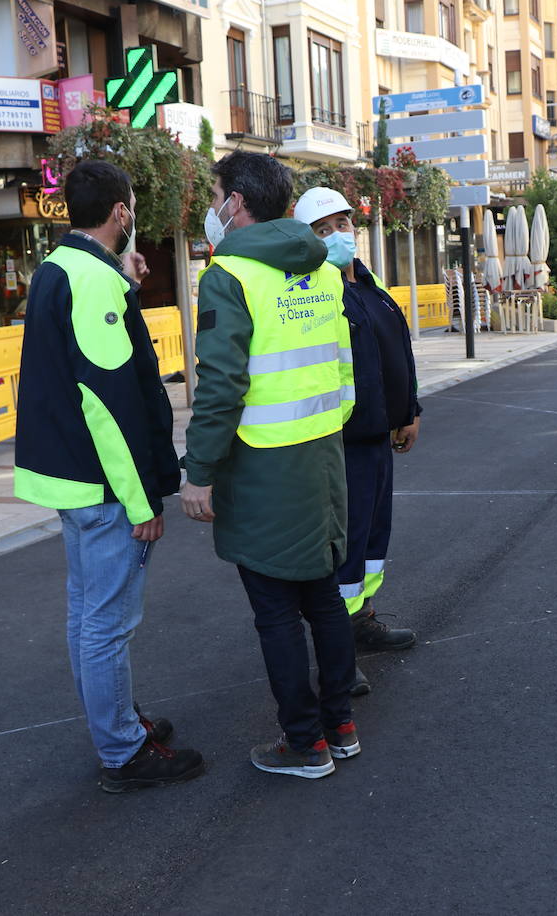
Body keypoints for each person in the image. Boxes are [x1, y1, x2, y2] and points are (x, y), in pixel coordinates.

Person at [14, 159, 201, 794]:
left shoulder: (60, 269)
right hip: (102, 486)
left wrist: (125, 279)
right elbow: (107, 405)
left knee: (89, 616)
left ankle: (119, 722)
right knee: (106, 623)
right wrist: (140, 499)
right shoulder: (93, 283)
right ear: (121, 212)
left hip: (71, 477)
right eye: (133, 209)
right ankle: (124, 749)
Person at [180, 152, 360, 779]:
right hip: (322, 455)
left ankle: (304, 744)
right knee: (325, 598)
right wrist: (327, 425)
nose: (213, 205)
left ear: (236, 203)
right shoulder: (324, 266)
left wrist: (198, 470)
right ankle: (340, 726)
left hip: (262, 468)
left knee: (278, 612)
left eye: (216, 193)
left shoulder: (229, 274)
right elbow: (342, 362)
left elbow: (221, 382)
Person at [294, 186, 422, 696]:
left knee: (372, 541)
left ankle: (362, 620)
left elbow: (398, 355)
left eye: (342, 223)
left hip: (380, 436)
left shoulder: (371, 287)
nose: (338, 235)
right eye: (322, 230)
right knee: (342, 549)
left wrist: (410, 410)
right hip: (341, 441)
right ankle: (338, 648)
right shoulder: (314, 295)